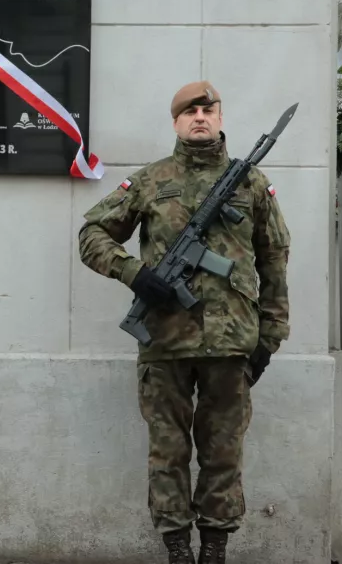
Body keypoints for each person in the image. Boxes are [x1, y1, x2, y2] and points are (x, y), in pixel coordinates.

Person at [76, 82, 290, 564]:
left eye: (207, 109)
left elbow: (274, 260)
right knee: (167, 455)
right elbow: (92, 233)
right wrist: (136, 274)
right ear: (175, 122)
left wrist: (270, 336)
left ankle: (214, 550)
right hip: (165, 340)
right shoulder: (151, 180)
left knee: (223, 455)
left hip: (233, 341)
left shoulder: (251, 183)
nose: (199, 117)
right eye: (189, 111)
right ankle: (177, 550)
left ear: (219, 116)